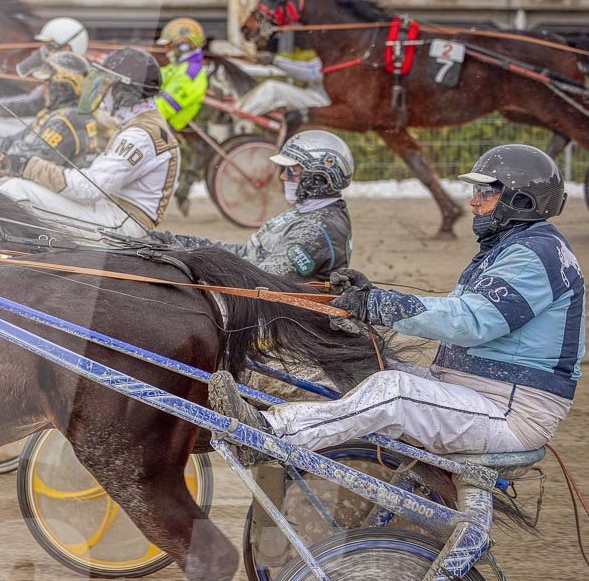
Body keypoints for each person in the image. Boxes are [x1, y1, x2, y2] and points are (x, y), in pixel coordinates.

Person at [209, 144, 583, 460]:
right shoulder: (514, 249)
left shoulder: (536, 254)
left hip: (510, 412)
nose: (473, 202)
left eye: (485, 193)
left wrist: (381, 306)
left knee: (394, 392)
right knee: (367, 370)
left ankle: (268, 436)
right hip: (478, 392)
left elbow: (469, 322)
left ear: (519, 200)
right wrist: (373, 296)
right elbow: (459, 313)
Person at [0, 48, 179, 241]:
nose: (101, 91)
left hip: (122, 224)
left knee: (18, 190)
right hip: (112, 210)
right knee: (18, 185)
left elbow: (89, 189)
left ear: (126, 91)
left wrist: (30, 167)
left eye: (107, 85)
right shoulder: (140, 124)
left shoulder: (140, 135)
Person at [152, 130, 354, 280]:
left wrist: (193, 260)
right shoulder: (311, 213)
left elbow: (260, 281)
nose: (283, 176)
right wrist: (180, 243)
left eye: (291, 171)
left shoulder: (314, 230)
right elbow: (247, 255)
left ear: (318, 177)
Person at [154, 18, 210, 132]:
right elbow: (153, 79)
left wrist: (133, 112)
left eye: (169, 45)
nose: (166, 50)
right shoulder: (177, 67)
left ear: (183, 46)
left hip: (161, 131)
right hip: (154, 125)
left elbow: (165, 106)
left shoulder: (191, 73)